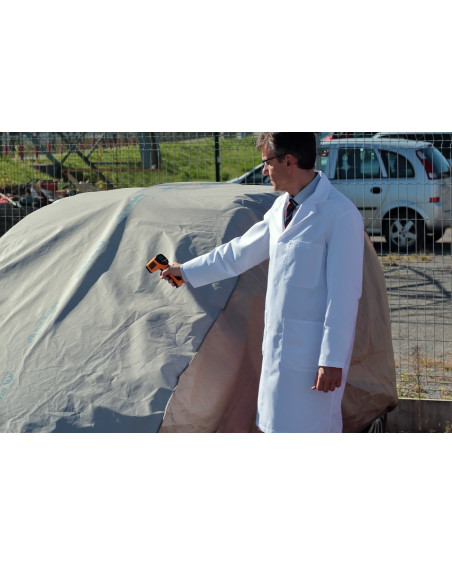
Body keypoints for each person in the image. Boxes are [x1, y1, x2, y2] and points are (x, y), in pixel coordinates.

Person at [161, 133, 364, 433]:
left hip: (314, 360)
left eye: (267, 162)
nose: (264, 170)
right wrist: (186, 271)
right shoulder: (282, 209)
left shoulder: (340, 214)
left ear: (289, 161)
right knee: (274, 428)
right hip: (280, 350)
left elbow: (344, 295)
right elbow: (238, 253)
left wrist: (332, 359)